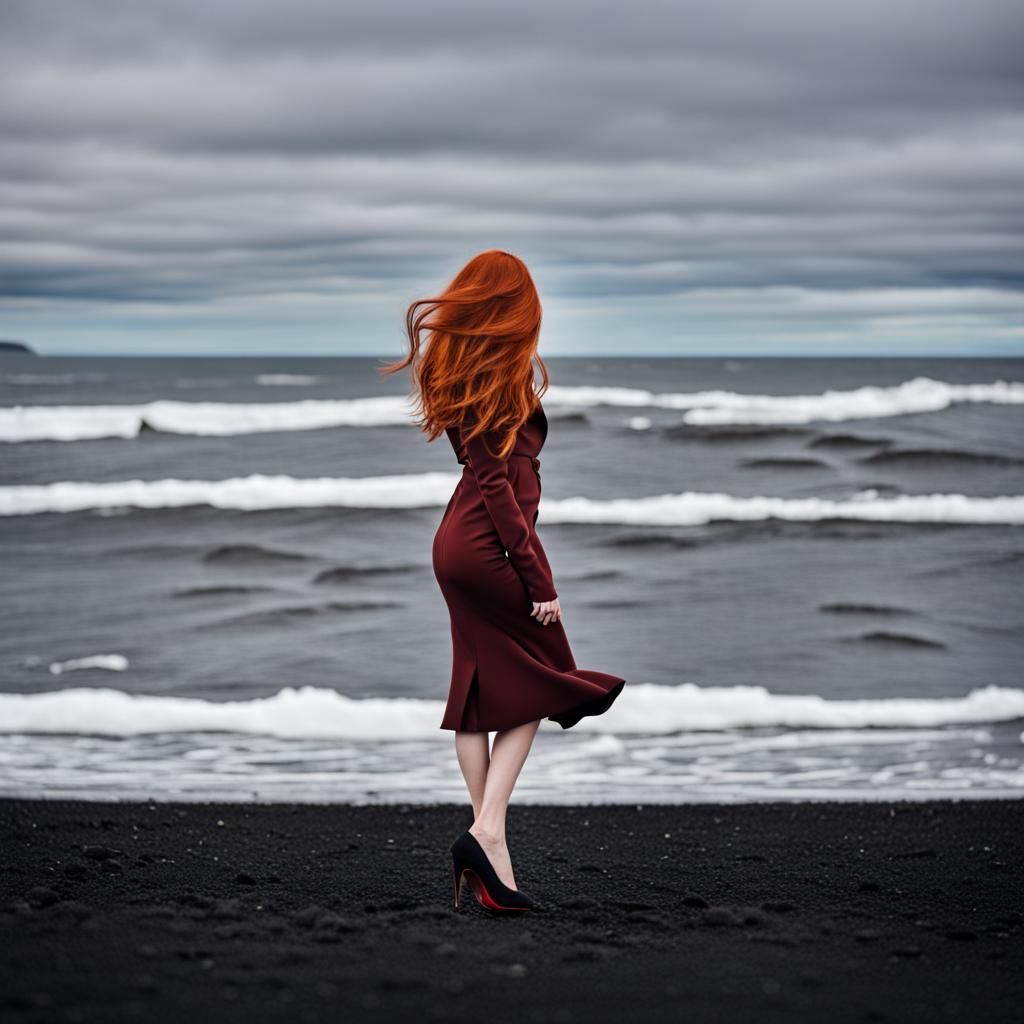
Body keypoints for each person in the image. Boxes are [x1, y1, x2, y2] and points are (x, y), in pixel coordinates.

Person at [381, 249, 625, 912]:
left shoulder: (472, 377)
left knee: (477, 691)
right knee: (543, 679)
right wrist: (539, 580)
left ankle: (493, 858)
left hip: (458, 546)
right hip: (487, 548)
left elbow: (493, 485)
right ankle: (486, 830)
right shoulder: (497, 384)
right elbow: (499, 493)